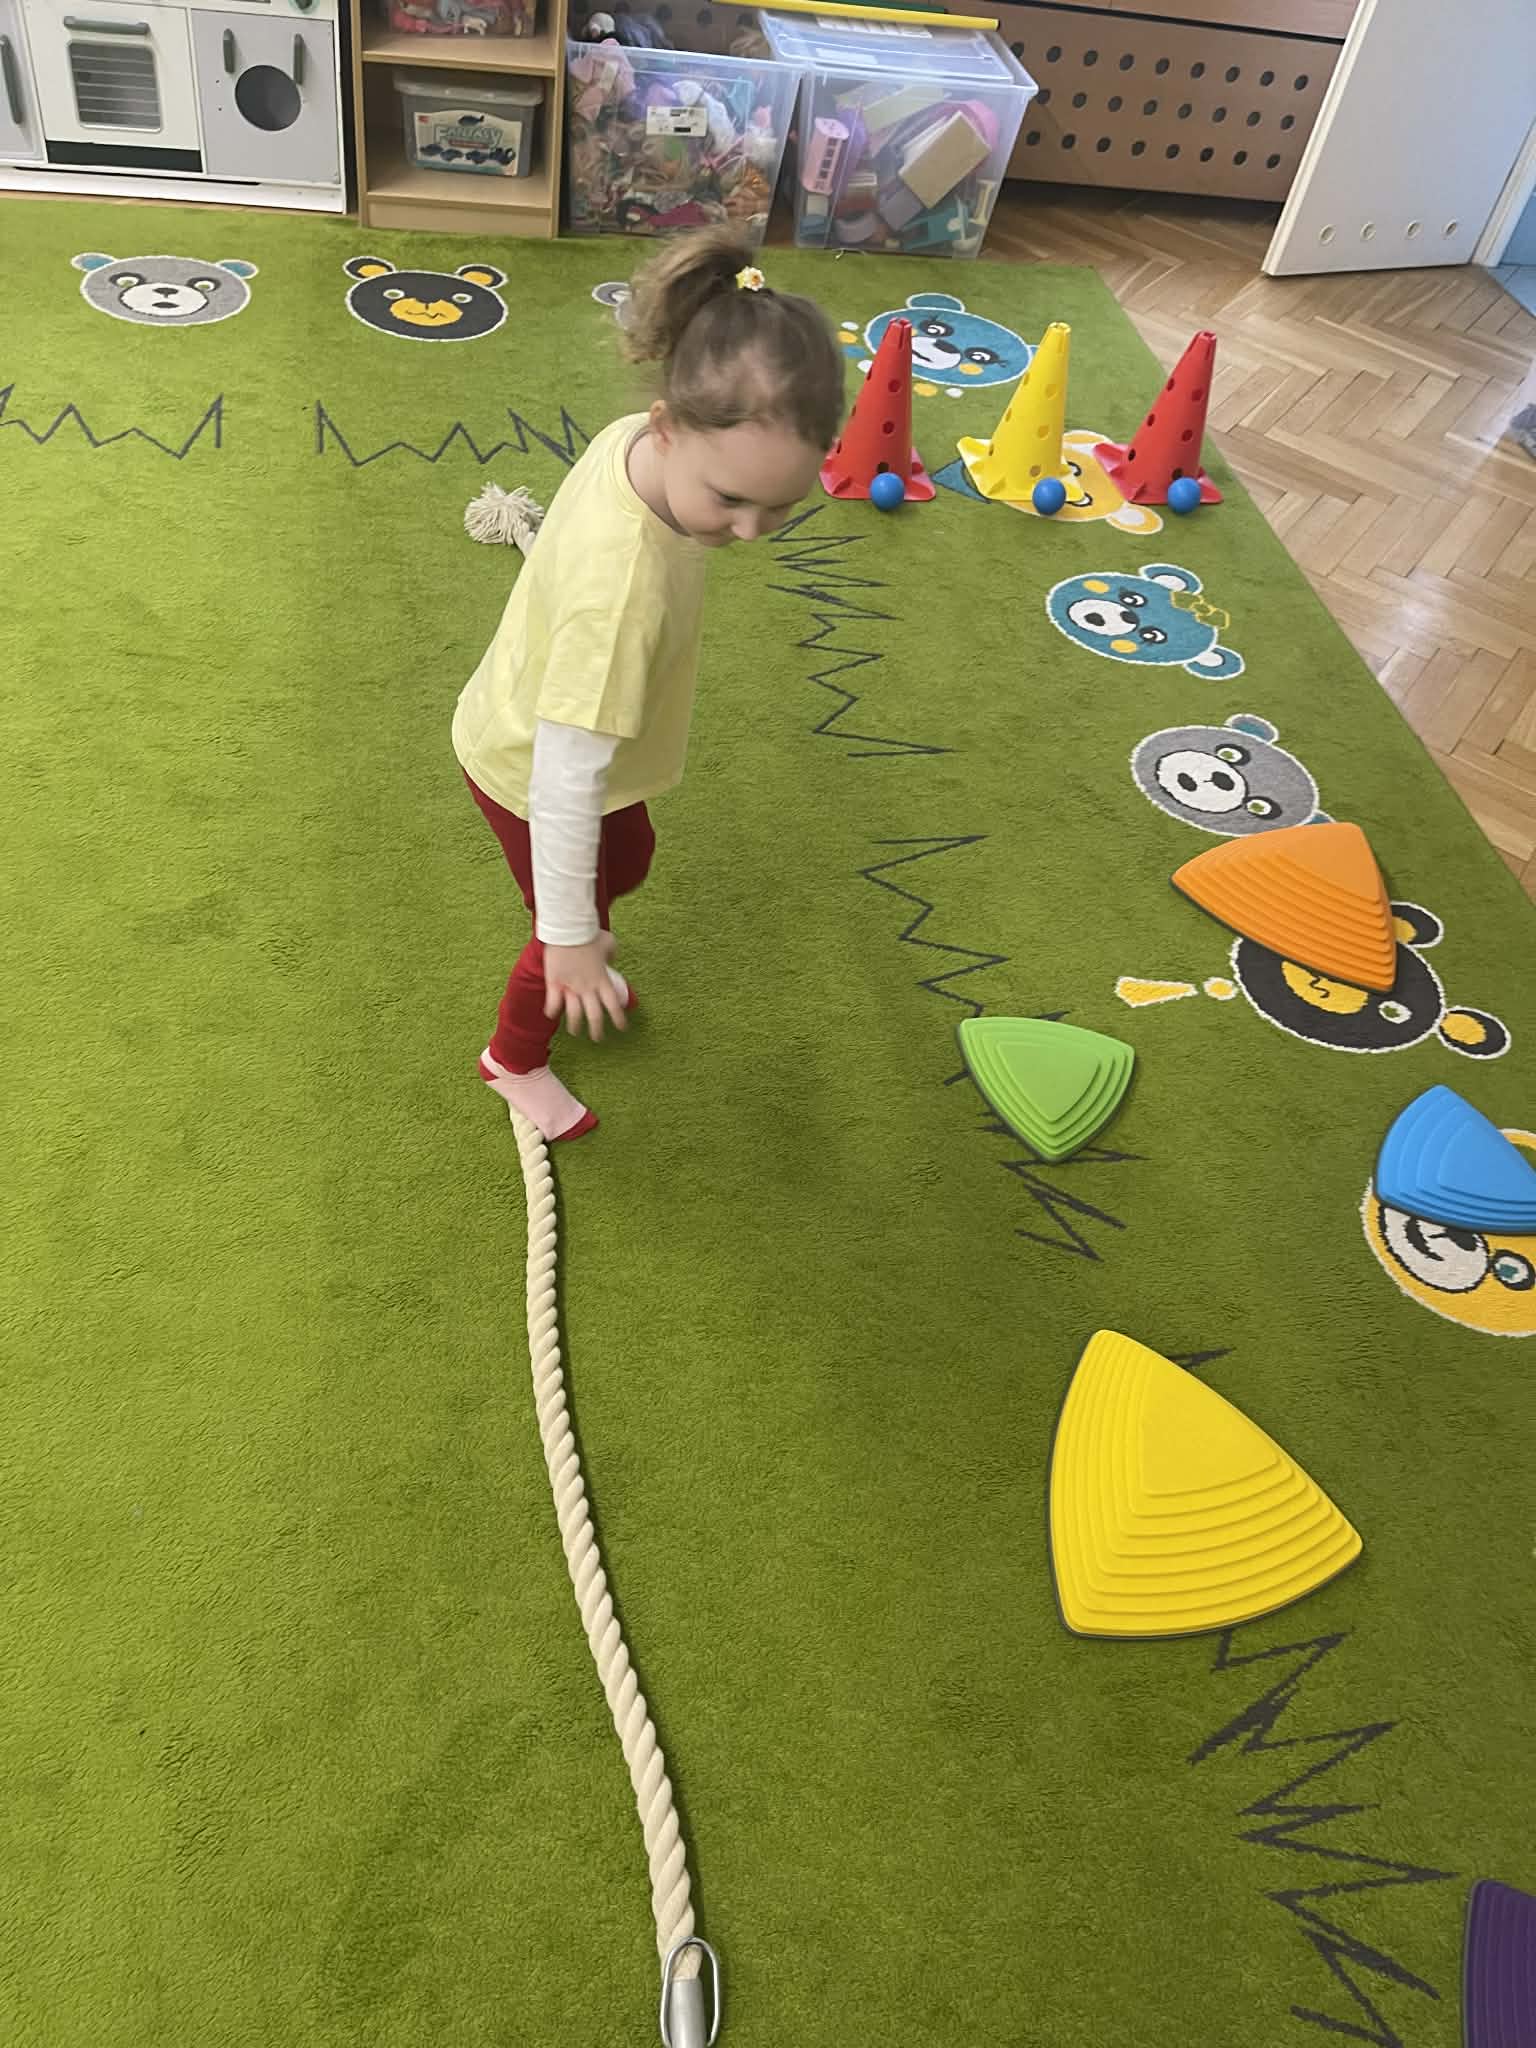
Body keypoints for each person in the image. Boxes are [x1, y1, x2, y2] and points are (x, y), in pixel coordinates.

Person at [453, 229, 845, 1141]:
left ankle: (575, 941)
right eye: (730, 500)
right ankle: (516, 1058)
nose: (749, 531)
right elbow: (563, 782)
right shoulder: (620, 599)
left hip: (546, 717)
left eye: (780, 507)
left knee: (628, 860)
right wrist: (571, 941)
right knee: (570, 919)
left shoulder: (635, 440)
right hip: (526, 764)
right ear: (671, 428)